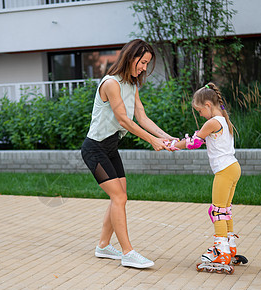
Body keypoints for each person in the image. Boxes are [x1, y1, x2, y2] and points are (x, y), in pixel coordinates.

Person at [81, 39, 175, 269]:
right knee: (119, 198)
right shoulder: (111, 83)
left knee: (119, 197)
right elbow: (124, 119)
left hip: (110, 148)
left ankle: (103, 246)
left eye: (147, 64)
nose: (144, 68)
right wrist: (152, 140)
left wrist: (167, 138)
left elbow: (142, 117)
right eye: (142, 62)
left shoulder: (131, 85)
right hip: (94, 149)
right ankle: (128, 252)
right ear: (131, 57)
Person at [167, 82, 247, 274]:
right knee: (225, 210)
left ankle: (221, 252)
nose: (200, 114)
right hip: (233, 168)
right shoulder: (224, 120)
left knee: (217, 211)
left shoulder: (212, 122)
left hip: (225, 170)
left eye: (200, 110)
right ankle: (229, 246)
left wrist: (172, 145)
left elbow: (194, 143)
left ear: (208, 105)